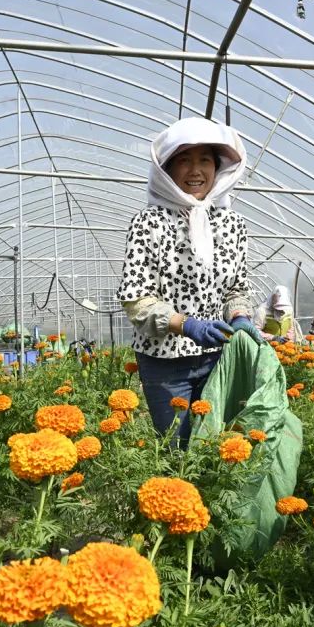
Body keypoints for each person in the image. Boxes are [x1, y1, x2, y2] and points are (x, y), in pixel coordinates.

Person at [117, 116, 263, 446]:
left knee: (215, 446)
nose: (195, 171)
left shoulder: (232, 224)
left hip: (216, 356)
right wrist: (185, 325)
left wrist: (239, 316)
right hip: (164, 361)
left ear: (218, 168)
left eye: (204, 160)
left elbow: (236, 286)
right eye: (184, 160)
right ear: (167, 169)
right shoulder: (147, 223)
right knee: (176, 449)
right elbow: (136, 298)